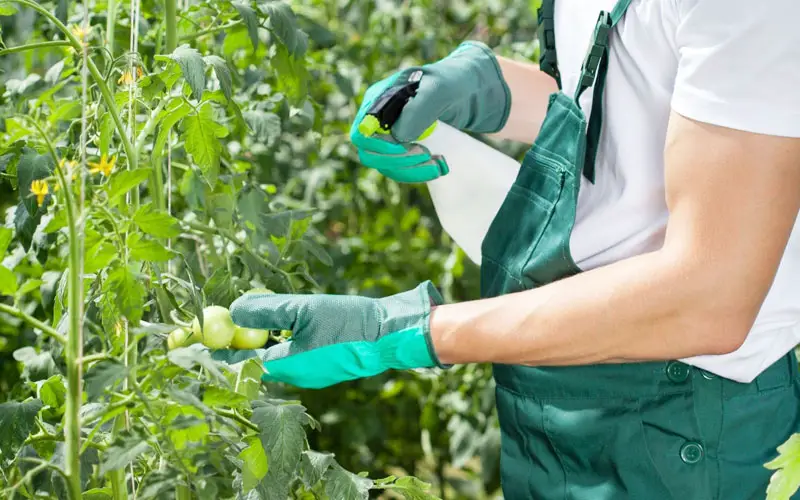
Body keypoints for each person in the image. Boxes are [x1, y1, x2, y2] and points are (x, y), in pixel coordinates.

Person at [214, 0, 800, 497]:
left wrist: (400, 330)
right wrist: (482, 87)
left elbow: (709, 296)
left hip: (691, 424)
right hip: (564, 367)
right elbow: (627, 97)